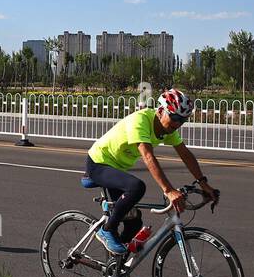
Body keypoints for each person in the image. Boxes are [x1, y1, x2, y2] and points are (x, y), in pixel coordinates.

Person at [85, 88, 218, 264]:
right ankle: (106, 230)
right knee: (137, 187)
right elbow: (148, 156)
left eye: (183, 120)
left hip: (118, 168)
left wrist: (203, 184)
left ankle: (115, 270)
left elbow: (185, 154)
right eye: (175, 118)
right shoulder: (140, 120)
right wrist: (169, 190)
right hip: (99, 163)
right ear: (161, 110)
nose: (178, 124)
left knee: (134, 222)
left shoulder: (167, 128)